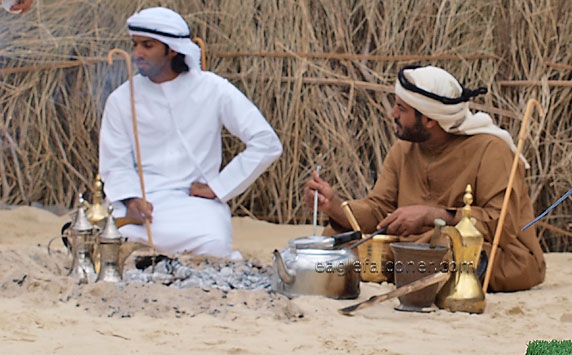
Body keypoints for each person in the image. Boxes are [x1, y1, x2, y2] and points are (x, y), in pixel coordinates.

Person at [304, 65, 546, 292]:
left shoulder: (491, 150)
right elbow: (379, 211)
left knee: (442, 253)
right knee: (335, 240)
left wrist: (434, 216)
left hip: (494, 253)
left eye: (402, 108)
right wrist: (335, 205)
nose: (392, 114)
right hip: (415, 248)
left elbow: (500, 225)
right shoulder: (403, 150)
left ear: (430, 119)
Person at [99, 7, 282, 258]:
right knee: (107, 239)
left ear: (172, 49)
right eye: (135, 45)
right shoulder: (121, 99)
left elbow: (266, 142)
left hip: (194, 204)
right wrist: (131, 201)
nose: (137, 54)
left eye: (147, 46)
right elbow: (115, 162)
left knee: (212, 244)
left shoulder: (213, 89)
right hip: (142, 204)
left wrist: (218, 187)